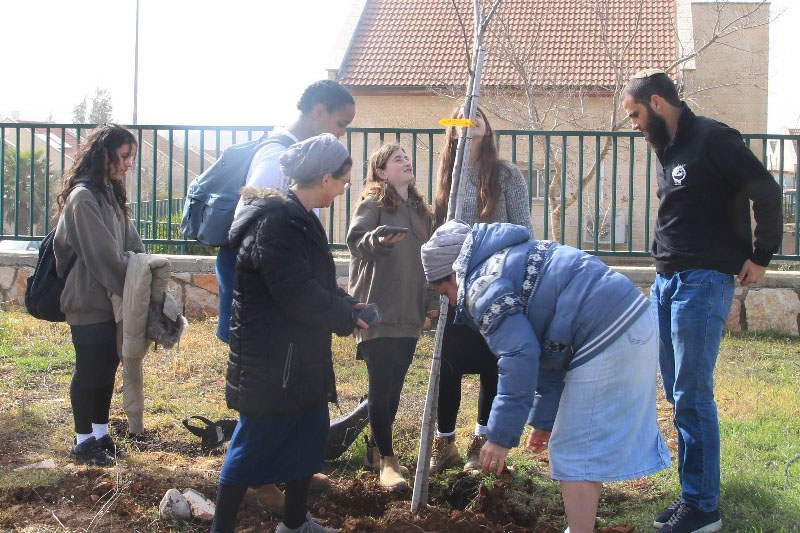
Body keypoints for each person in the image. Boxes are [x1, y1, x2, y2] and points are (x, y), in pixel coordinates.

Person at [420, 219, 671, 533]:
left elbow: (519, 355)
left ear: (455, 273)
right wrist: (542, 420)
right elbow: (551, 351)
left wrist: (499, 437)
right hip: (633, 319)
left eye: (445, 291)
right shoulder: (510, 257)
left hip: (608, 332)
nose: (452, 302)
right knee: (577, 445)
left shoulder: (481, 285)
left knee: (574, 450)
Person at [622, 69, 782, 532]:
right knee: (677, 395)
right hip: (667, 283)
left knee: (692, 395)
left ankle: (703, 508)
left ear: (656, 102)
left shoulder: (713, 138)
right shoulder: (666, 148)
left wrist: (761, 254)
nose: (632, 123)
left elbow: (766, 191)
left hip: (703, 281)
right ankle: (692, 494)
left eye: (634, 114)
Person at [211, 134, 366, 533]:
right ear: (326, 178)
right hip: (272, 363)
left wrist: (347, 306)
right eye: (344, 180)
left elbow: (315, 281)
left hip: (299, 359)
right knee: (250, 448)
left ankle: (295, 525)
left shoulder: (298, 218)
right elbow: (296, 293)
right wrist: (343, 318)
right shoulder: (276, 223)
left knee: (307, 442)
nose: (345, 188)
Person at [429, 106, 533, 474]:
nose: (471, 120)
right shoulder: (448, 176)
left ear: (488, 128)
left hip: (498, 283)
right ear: (452, 130)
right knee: (449, 365)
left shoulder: (506, 174)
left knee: (492, 365)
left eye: (478, 116)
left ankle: (479, 442)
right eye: (461, 115)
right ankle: (445, 443)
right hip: (457, 289)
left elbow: (524, 230)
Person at [346, 144, 437, 491]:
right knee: (381, 385)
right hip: (376, 309)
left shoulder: (420, 211)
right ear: (381, 172)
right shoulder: (373, 205)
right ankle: (388, 459)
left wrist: (431, 298)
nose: (405, 161)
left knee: (394, 387)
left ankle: (374, 449)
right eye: (396, 159)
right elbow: (355, 241)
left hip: (409, 308)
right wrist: (378, 238)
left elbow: (428, 260)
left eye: (406, 157)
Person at [53, 124, 145, 465]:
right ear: (103, 154)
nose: (126, 165)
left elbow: (132, 244)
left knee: (108, 367)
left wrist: (146, 267)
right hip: (87, 300)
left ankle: (101, 434)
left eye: (130, 158)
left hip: (111, 300)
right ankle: (82, 442)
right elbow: (104, 257)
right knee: (90, 369)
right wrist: (137, 281)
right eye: (123, 157)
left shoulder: (109, 194)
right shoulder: (83, 197)